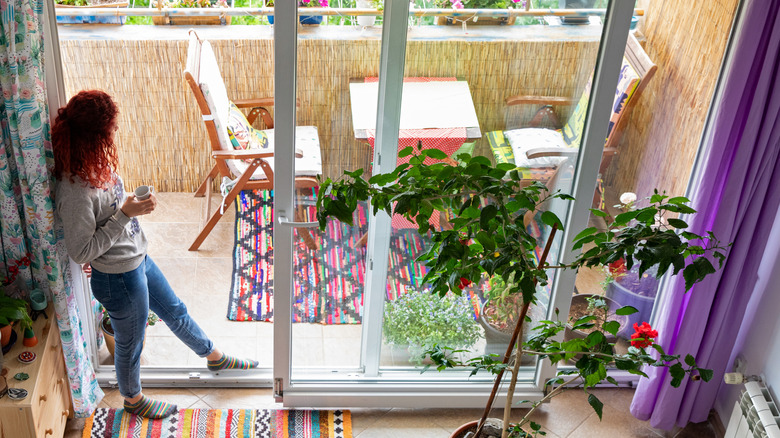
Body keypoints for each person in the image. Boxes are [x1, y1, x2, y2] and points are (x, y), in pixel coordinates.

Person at [52, 90, 258, 419]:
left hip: (136, 260)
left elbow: (108, 212)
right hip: (117, 277)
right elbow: (81, 251)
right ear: (94, 135)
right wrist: (125, 214)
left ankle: (213, 355)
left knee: (175, 310)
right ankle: (133, 400)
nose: (114, 134)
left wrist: (129, 204)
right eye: (110, 130)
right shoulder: (75, 190)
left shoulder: (93, 163)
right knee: (131, 343)